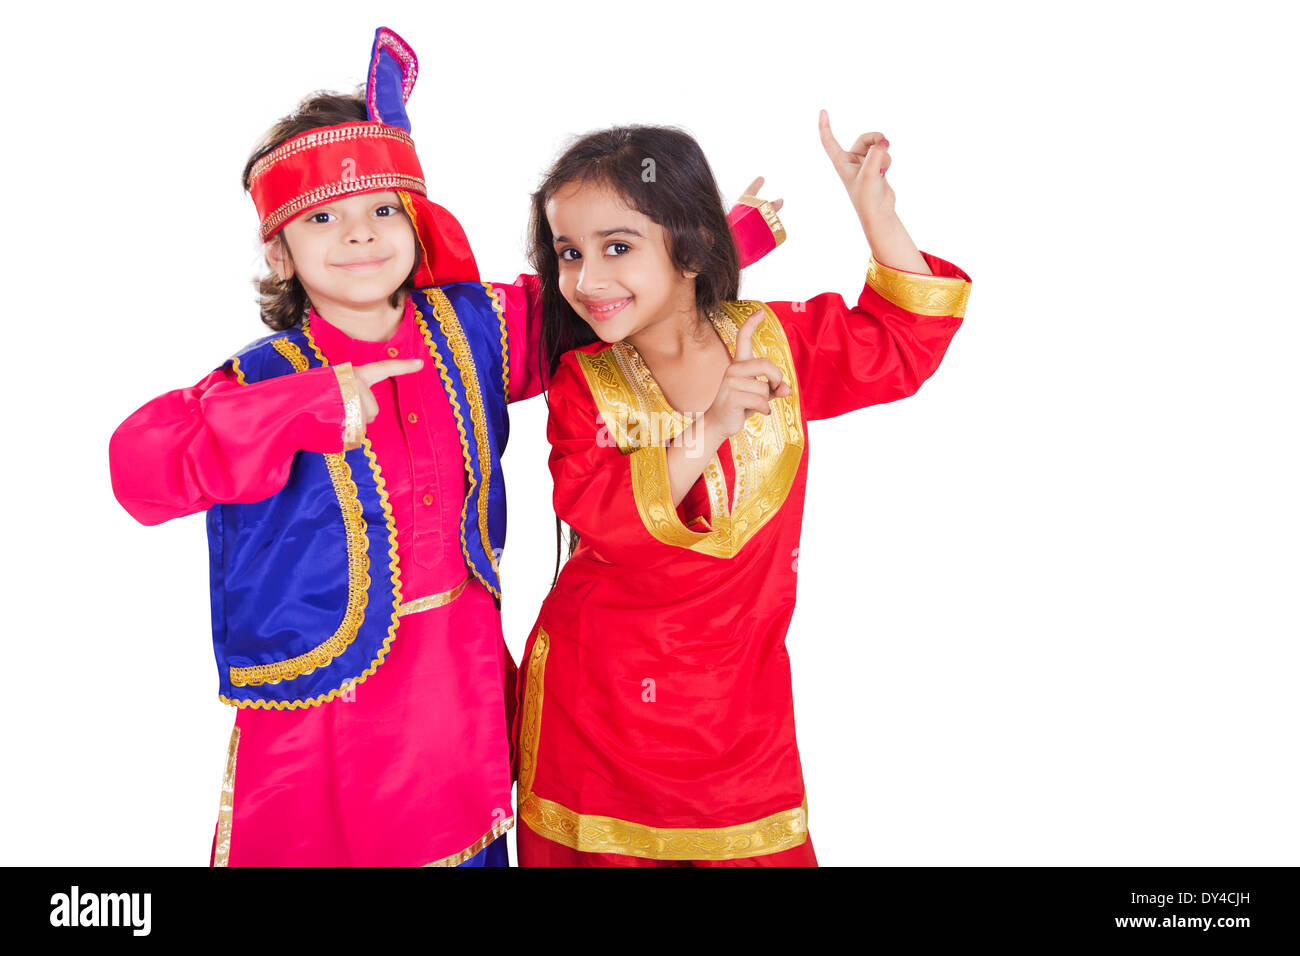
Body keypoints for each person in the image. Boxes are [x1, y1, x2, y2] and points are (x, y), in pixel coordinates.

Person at [108, 27, 783, 866]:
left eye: (382, 210)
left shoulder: (475, 327)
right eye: (323, 217)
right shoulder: (261, 378)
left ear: (414, 221)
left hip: (456, 692)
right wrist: (307, 406)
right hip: (325, 715)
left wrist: (718, 243)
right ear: (279, 251)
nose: (360, 235)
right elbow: (139, 472)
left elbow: (595, 305)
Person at [512, 117, 972, 865]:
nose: (587, 280)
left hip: (740, 709)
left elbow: (900, 343)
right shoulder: (583, 384)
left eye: (617, 247)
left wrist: (875, 211)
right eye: (570, 253)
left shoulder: (776, 341)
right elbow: (599, 515)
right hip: (599, 704)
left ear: (692, 250)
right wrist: (714, 422)